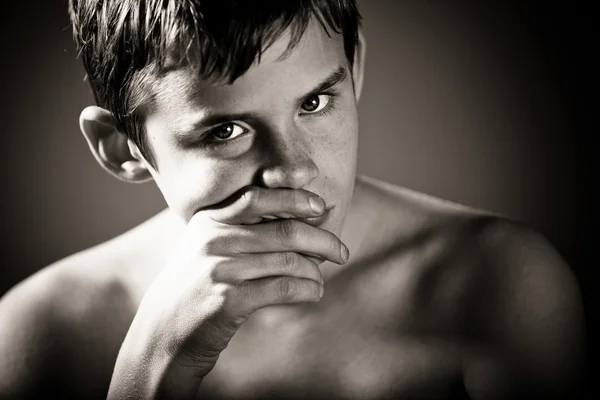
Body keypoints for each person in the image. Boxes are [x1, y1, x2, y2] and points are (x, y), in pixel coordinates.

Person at [0, 1, 586, 398]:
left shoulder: (497, 285)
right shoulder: (36, 335)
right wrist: (150, 366)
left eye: (314, 103)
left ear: (352, 71)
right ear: (122, 146)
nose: (295, 169)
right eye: (225, 132)